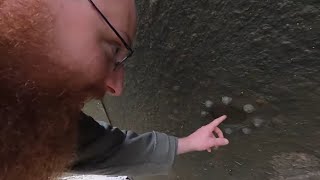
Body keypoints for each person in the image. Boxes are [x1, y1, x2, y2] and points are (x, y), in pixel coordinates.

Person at [0, 0, 230, 179]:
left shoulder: (38, 122)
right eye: (112, 48)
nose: (116, 87)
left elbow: (107, 149)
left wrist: (187, 143)